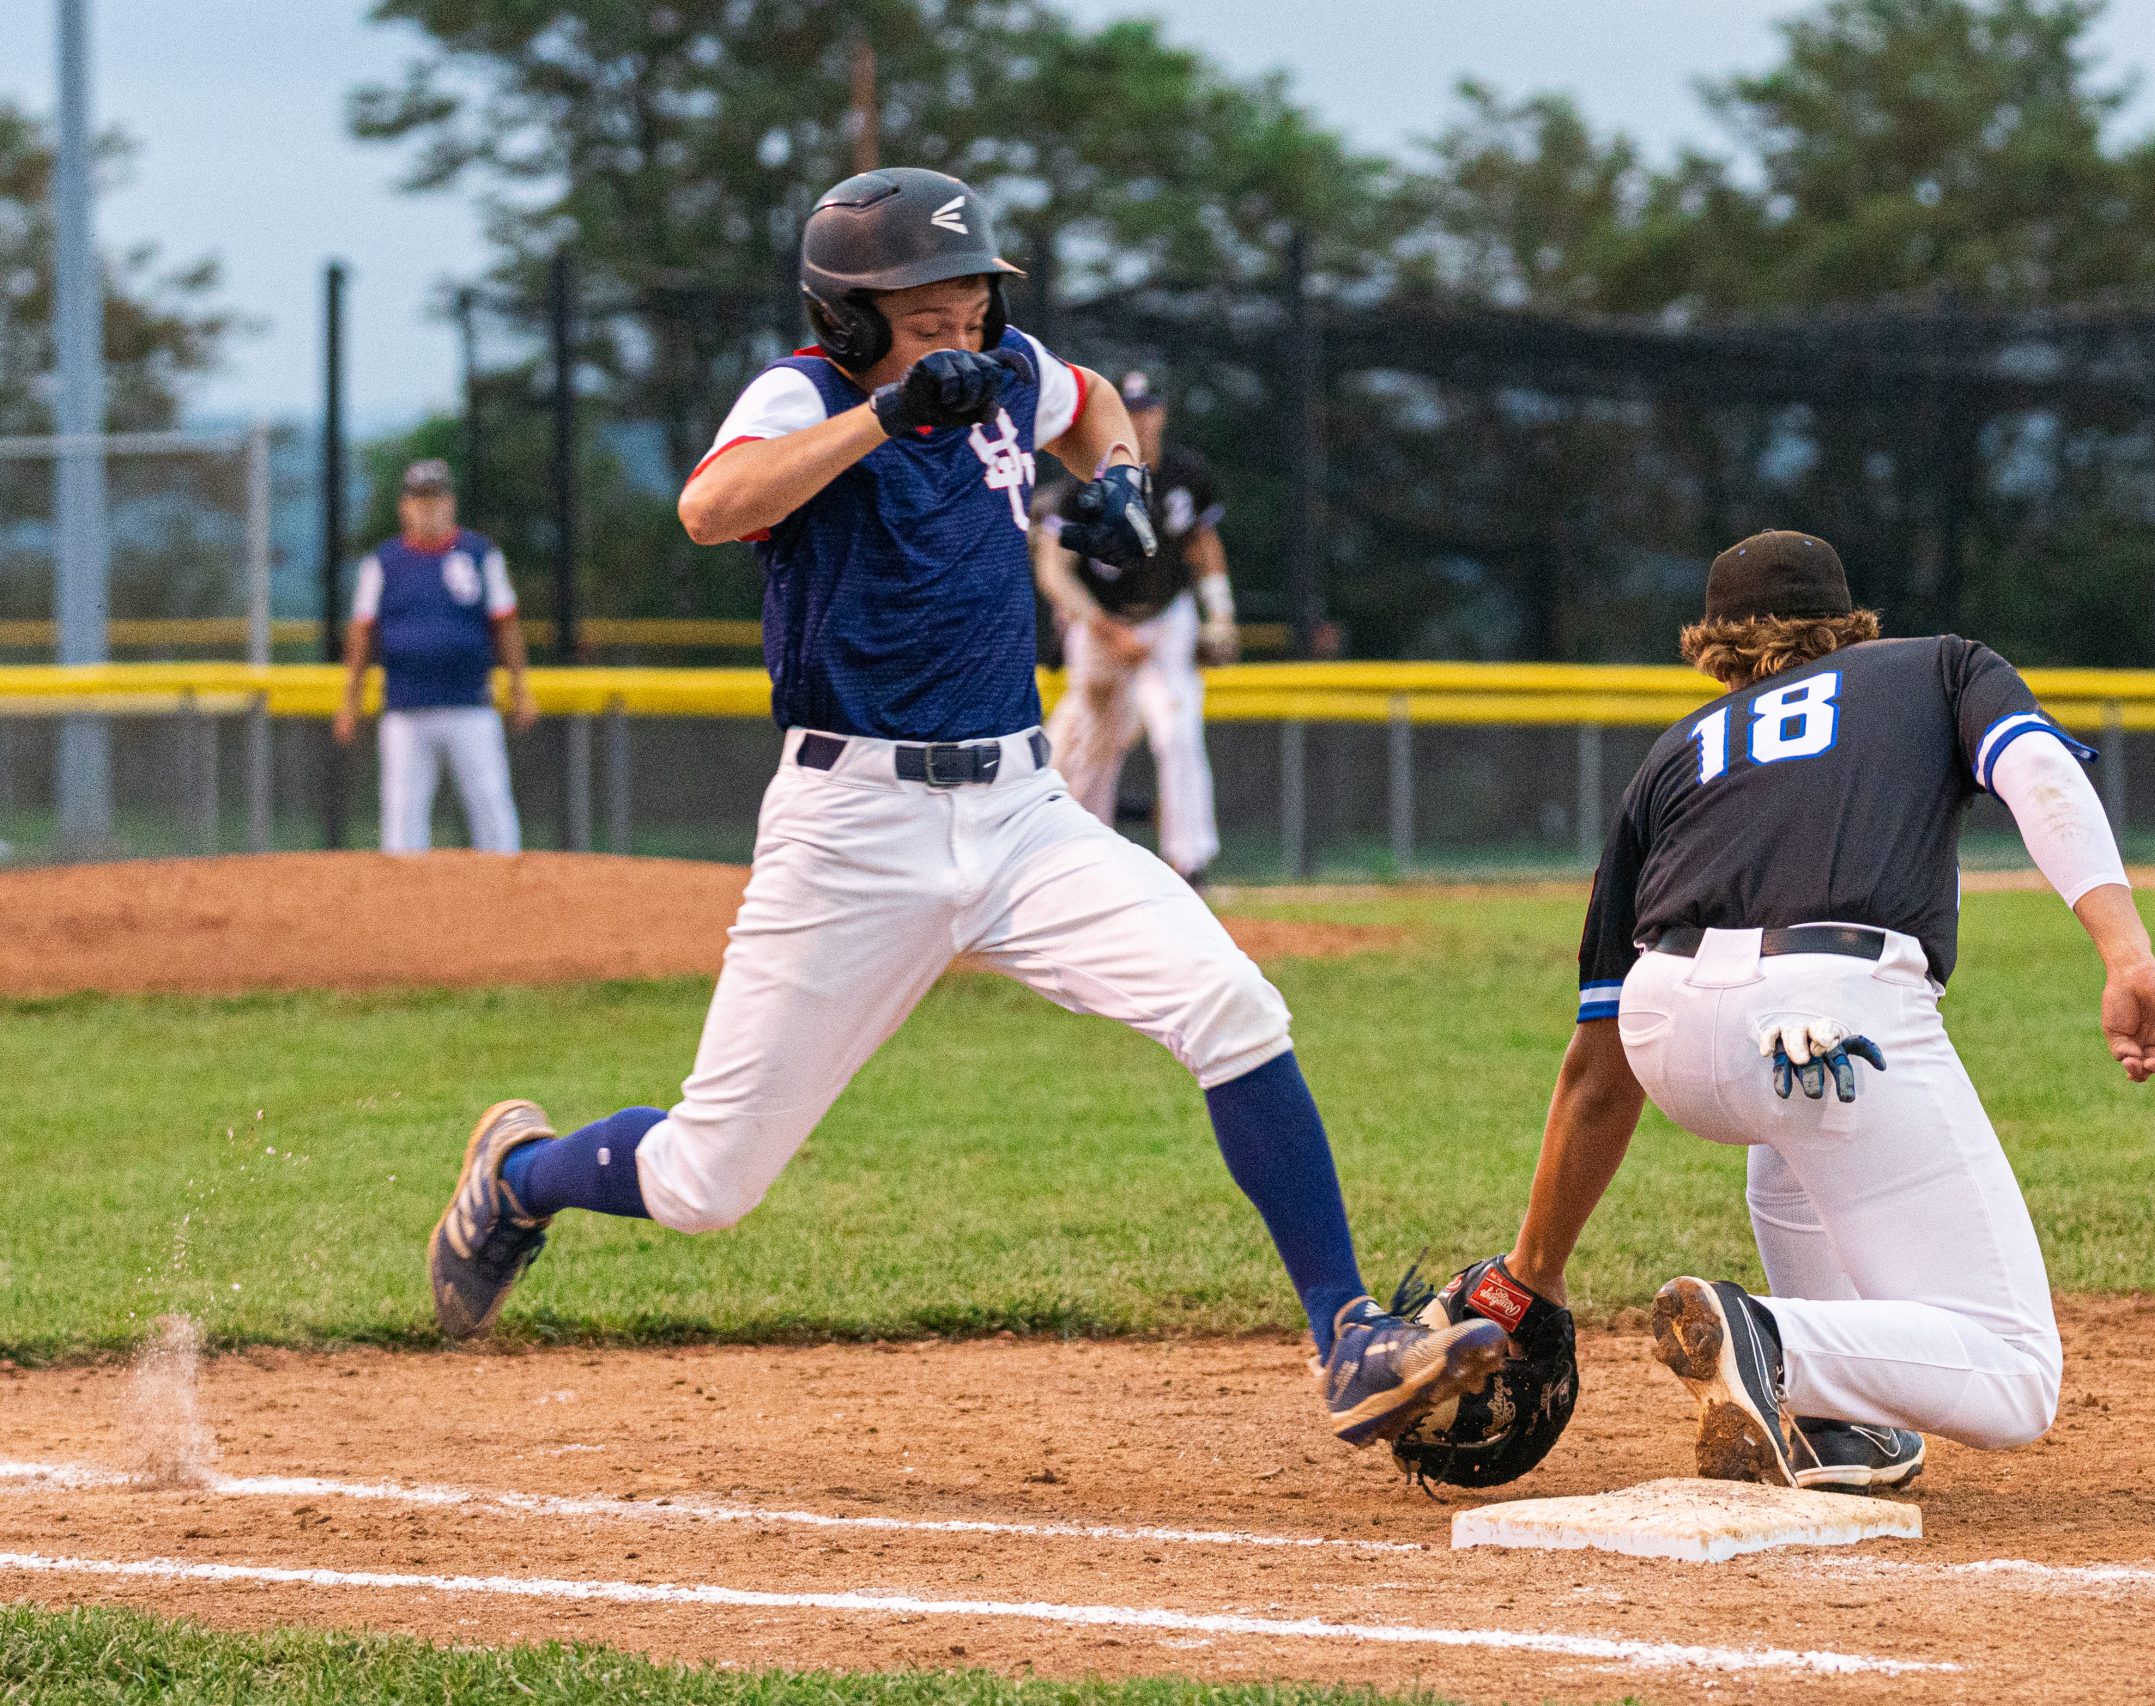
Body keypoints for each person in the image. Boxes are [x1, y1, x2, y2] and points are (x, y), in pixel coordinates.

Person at [424, 168, 1505, 1449]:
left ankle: (1346, 1335)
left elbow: (1094, 400)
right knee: (708, 1180)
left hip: (1020, 807)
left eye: (972, 308)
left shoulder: (1005, 366)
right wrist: (887, 414)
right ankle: (516, 1179)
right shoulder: (805, 394)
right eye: (926, 317)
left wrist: (1114, 481)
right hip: (850, 827)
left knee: (1229, 1001)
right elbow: (713, 506)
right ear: (849, 320)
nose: (962, 337)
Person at [1411, 530, 2155, 1491]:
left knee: (1789, 1143)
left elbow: (1596, 1067)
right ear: (1852, 625)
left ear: (1710, 647)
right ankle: (1771, 1342)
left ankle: (1833, 1427)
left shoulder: (1674, 757)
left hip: (1670, 1030)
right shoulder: (1938, 668)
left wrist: (1534, 1268)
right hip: (1826, 1014)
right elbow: (2038, 772)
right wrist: (2127, 951)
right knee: (2014, 1374)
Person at [1033, 371, 1236, 881]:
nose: (1141, 420)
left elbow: (1203, 544)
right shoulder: (1083, 480)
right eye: (1130, 409)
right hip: (1100, 622)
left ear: (1162, 413)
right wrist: (1107, 631)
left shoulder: (1185, 473)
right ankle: (1083, 859)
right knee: (1092, 744)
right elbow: (1055, 576)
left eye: (1148, 409)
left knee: (1177, 732)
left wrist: (1221, 614)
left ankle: (1190, 861)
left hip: (1167, 615)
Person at [332, 458, 535, 853]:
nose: (428, 507)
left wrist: (520, 689)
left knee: (491, 805)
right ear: (404, 506)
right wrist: (349, 701)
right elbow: (361, 635)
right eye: (419, 499)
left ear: (451, 503)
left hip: (470, 703)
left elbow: (506, 626)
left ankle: (508, 895)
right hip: (406, 706)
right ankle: (405, 903)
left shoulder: (480, 555)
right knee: (402, 816)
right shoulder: (384, 562)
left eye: (436, 498)